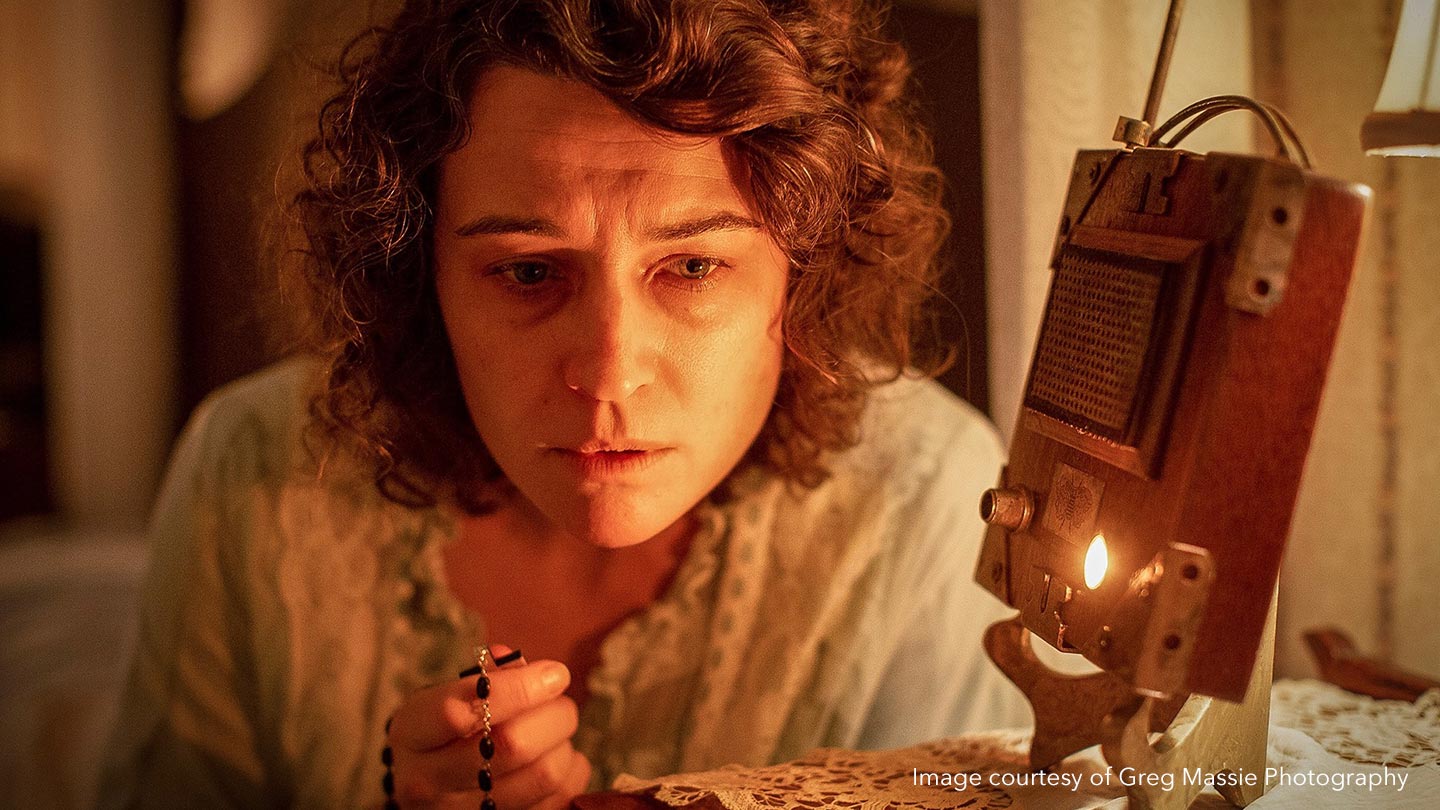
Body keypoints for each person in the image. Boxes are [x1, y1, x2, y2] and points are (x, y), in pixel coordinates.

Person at [97, 0, 1025, 807]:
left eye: (693, 267)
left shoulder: (926, 494)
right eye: (529, 271)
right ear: (420, 277)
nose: (610, 373)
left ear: (805, 274)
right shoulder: (252, 467)